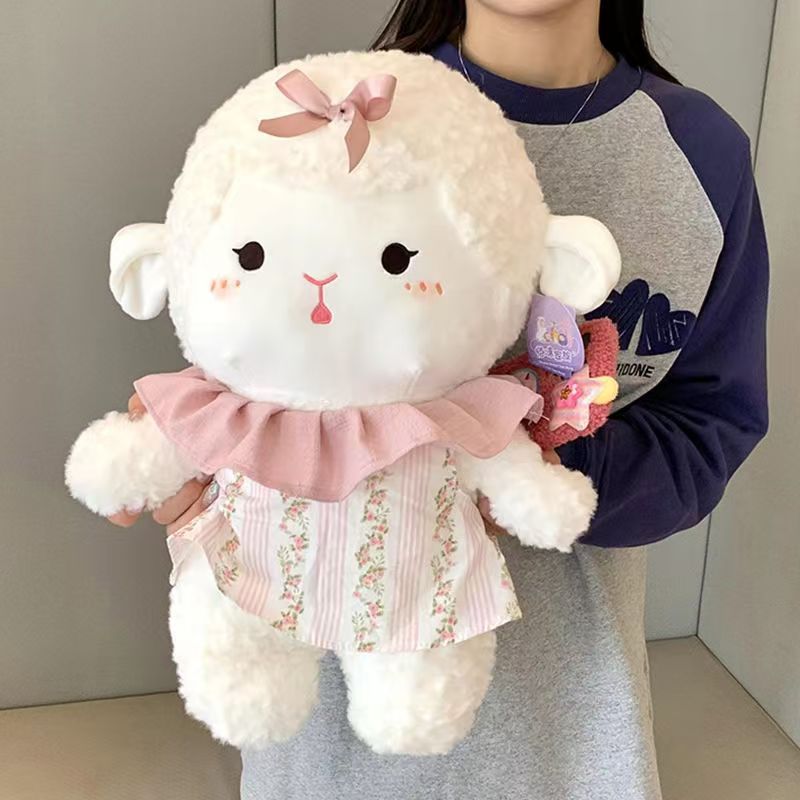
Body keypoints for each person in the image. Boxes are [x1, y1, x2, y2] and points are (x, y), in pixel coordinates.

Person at [114, 1, 769, 797]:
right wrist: (190, 452)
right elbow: (249, 354)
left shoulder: (699, 154)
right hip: (326, 750)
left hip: (570, 741)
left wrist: (513, 459)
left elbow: (711, 425)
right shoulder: (331, 113)